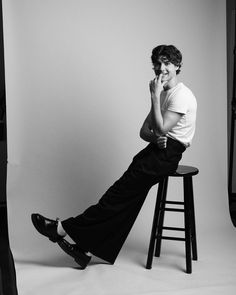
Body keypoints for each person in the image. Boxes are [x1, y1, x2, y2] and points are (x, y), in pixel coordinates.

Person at [31, 44, 197, 269]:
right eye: (157, 63)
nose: (161, 68)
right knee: (125, 201)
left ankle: (61, 229)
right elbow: (145, 132)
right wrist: (157, 134)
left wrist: (154, 97)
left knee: (115, 197)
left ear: (177, 65)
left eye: (167, 63)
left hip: (168, 155)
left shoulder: (181, 95)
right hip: (156, 151)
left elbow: (160, 128)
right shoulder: (165, 93)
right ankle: (85, 250)